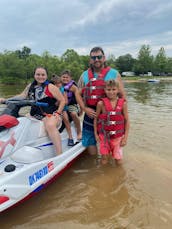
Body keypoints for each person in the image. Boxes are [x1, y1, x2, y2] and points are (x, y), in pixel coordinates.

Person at [0, 67, 65, 155]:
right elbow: (21, 96)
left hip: (49, 114)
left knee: (49, 125)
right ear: (34, 75)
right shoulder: (30, 86)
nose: (40, 77)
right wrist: (6, 100)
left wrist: (58, 113)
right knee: (19, 123)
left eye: (43, 75)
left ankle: (59, 153)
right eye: (38, 74)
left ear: (46, 76)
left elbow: (62, 100)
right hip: (34, 115)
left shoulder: (50, 87)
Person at [78, 46, 126, 155]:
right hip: (91, 113)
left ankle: (107, 167)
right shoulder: (84, 75)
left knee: (111, 143)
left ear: (104, 58)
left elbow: (122, 96)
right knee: (90, 141)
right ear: (90, 60)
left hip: (109, 114)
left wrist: (122, 117)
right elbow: (78, 94)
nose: (96, 60)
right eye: (93, 58)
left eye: (99, 57)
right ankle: (95, 164)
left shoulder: (114, 74)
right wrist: (84, 108)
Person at [94, 80, 129, 165]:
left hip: (118, 137)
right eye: (108, 90)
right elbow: (96, 119)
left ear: (118, 90)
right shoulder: (100, 104)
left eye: (114, 89)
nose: (111, 92)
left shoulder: (123, 104)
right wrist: (96, 134)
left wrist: (125, 138)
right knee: (104, 158)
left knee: (118, 160)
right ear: (105, 90)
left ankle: (120, 177)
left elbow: (127, 121)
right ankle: (104, 176)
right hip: (104, 136)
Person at [50, 74, 75, 146]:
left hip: (63, 108)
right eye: (55, 84)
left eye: (59, 83)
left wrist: (59, 102)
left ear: (61, 84)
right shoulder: (51, 90)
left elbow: (66, 101)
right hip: (53, 108)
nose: (57, 85)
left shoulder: (63, 90)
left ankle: (70, 137)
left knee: (66, 119)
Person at [60, 70, 83, 143]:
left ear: (70, 78)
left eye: (67, 77)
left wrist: (82, 110)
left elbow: (79, 99)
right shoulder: (58, 85)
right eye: (63, 77)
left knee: (73, 113)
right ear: (61, 77)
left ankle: (79, 132)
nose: (65, 79)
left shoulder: (73, 87)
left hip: (72, 105)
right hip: (61, 105)